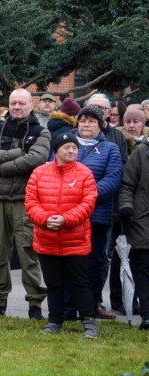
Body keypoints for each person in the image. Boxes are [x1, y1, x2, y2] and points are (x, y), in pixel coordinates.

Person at [0, 88, 50, 318]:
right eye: (13, 103)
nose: (17, 107)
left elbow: (35, 160)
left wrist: (0, 168)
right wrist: (19, 152)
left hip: (25, 199)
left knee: (28, 251)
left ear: (31, 106)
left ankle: (35, 304)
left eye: (21, 103)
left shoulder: (41, 132)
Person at [25, 132, 99, 338]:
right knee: (53, 283)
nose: (71, 151)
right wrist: (45, 219)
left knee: (80, 282)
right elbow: (31, 202)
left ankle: (89, 322)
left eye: (74, 148)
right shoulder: (39, 173)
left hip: (75, 239)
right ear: (56, 150)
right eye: (67, 147)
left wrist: (66, 219)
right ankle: (55, 320)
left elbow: (88, 203)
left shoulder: (85, 173)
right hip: (47, 238)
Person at [67, 105, 122, 320]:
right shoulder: (65, 144)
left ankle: (92, 304)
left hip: (97, 215)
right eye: (83, 121)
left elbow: (112, 179)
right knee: (71, 261)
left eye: (92, 121)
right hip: (69, 215)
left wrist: (85, 197)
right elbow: (54, 169)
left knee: (97, 262)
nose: (86, 124)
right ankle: (71, 305)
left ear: (100, 125)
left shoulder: (110, 149)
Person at [118, 141, 149, 329]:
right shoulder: (142, 152)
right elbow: (127, 185)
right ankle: (147, 314)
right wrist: (126, 205)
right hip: (143, 218)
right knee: (144, 267)